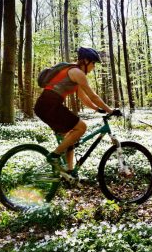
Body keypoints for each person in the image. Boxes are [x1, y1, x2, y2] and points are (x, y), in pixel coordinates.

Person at [34, 47, 120, 178]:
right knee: (81, 127)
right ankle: (54, 156)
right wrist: (110, 110)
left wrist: (97, 109)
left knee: (70, 137)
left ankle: (69, 172)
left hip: (46, 105)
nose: (93, 67)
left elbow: (84, 98)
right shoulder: (77, 72)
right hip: (49, 104)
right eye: (93, 63)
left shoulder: (73, 73)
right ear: (85, 61)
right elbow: (93, 96)